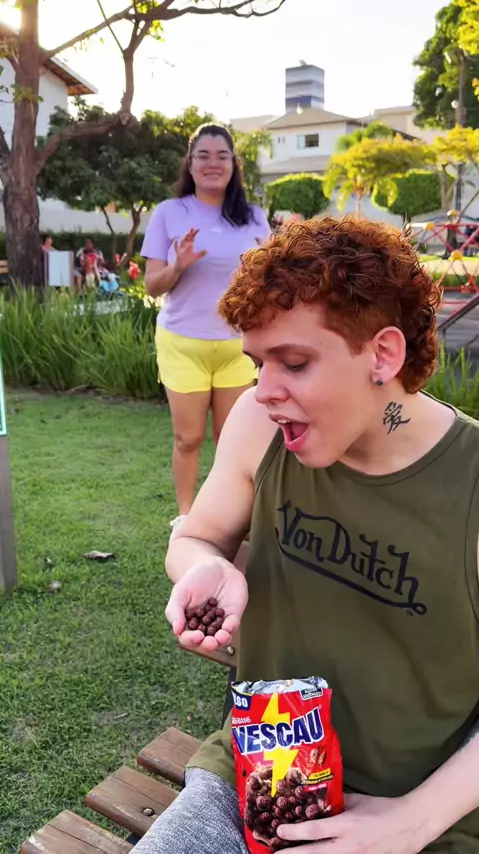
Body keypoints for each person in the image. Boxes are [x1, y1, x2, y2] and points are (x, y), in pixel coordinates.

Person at [134, 216, 479, 854]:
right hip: (252, 775)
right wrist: (205, 565)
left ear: (383, 355)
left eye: (294, 362)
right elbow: (194, 538)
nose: (262, 391)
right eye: (257, 363)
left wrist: (412, 822)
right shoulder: (259, 426)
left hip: (416, 815)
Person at [141, 123, 270, 532]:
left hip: (238, 346)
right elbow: (152, 285)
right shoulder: (170, 213)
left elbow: (269, 279)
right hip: (183, 343)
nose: (213, 163)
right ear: (191, 163)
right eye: (204, 155)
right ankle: (186, 515)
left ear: (233, 164)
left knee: (232, 439)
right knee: (189, 438)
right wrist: (178, 265)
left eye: (222, 156)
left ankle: (230, 517)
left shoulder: (253, 218)